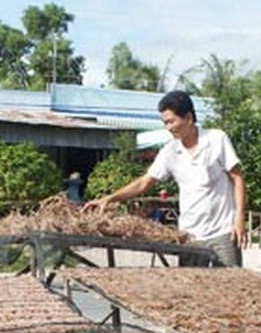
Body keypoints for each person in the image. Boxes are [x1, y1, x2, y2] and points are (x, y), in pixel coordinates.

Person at [85, 90, 247, 266]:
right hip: (190, 235)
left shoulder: (216, 139)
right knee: (192, 289)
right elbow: (144, 183)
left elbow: (237, 178)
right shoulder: (170, 151)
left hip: (223, 232)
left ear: (188, 118)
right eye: (165, 123)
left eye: (172, 121)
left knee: (230, 286)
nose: (169, 127)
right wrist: (109, 199)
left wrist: (239, 218)